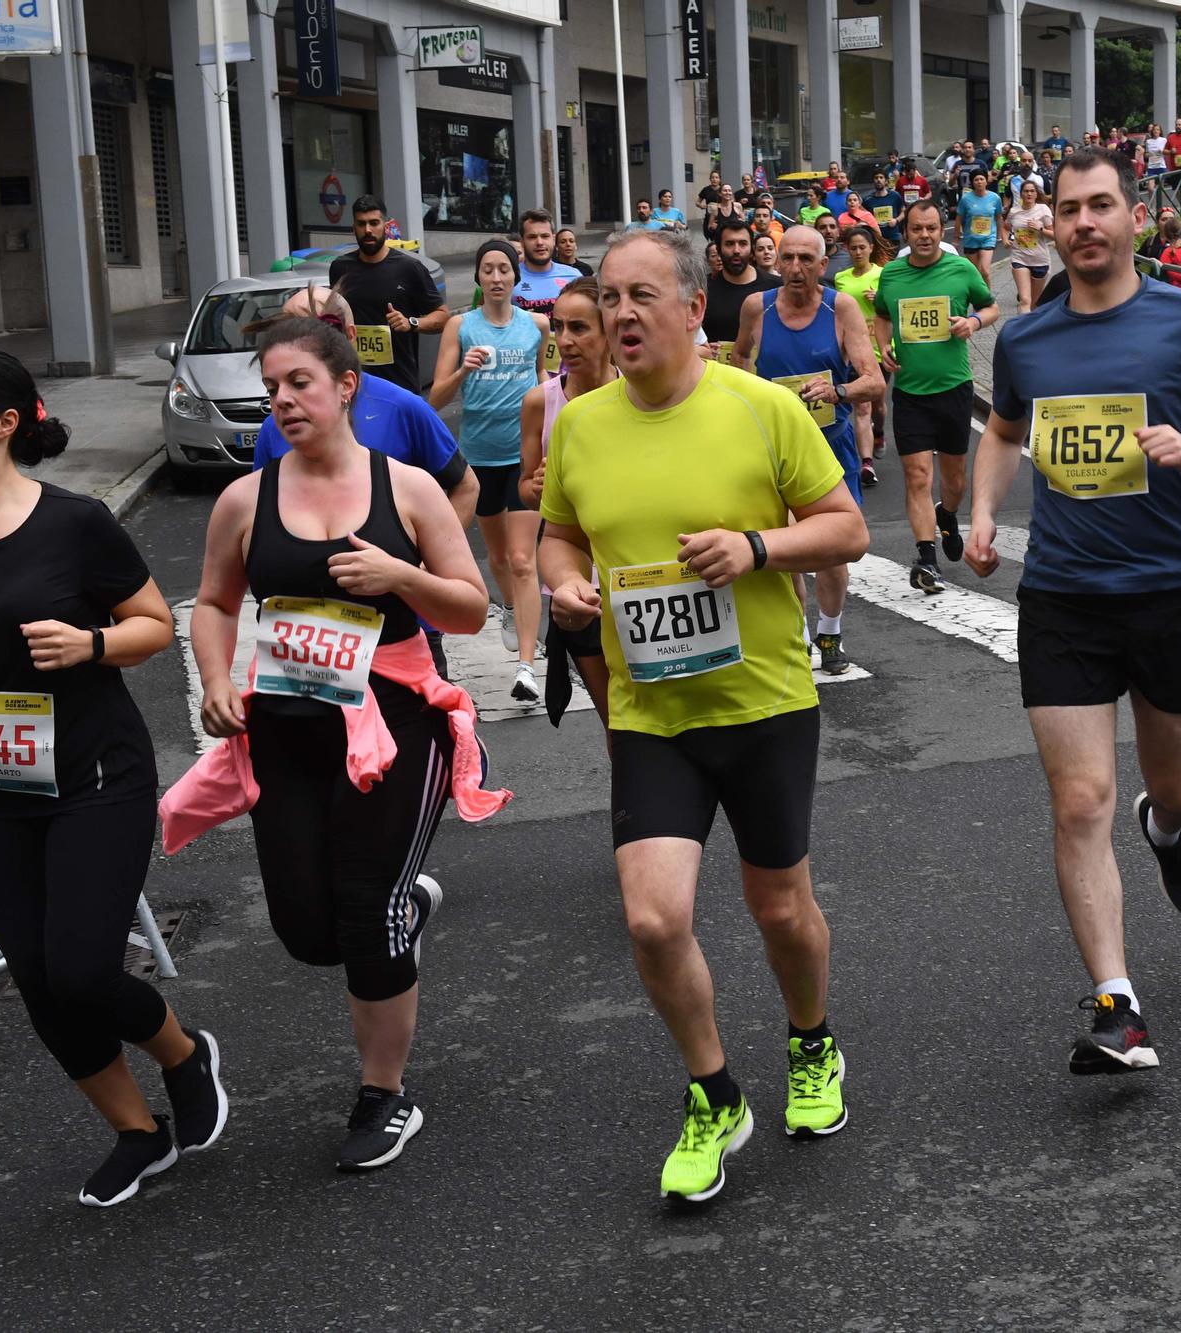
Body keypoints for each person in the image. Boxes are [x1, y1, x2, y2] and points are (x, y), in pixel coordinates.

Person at [539, 226, 868, 1203]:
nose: (620, 314)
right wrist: (562, 589)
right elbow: (557, 539)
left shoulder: (761, 410)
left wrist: (757, 550)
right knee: (651, 917)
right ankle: (713, 1091)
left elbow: (844, 526)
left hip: (762, 700)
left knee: (777, 907)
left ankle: (810, 1042)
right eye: (608, 298)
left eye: (642, 295)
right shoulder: (580, 425)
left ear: (693, 309)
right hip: (650, 711)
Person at [963, 146, 1181, 1076]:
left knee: (1173, 785)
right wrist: (984, 508)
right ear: (1053, 225)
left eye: (1100, 205)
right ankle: (1118, 1001)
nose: (1083, 224)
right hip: (1063, 600)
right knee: (1078, 801)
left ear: (1134, 214)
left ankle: (1169, 827)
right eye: (1068, 210)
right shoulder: (1027, 339)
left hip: (1167, 597)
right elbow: (1000, 432)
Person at [0, 348, 227, 1205]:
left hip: (93, 772)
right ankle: (136, 1134)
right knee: (35, 976)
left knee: (80, 968)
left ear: (4, 423)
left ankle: (185, 1055)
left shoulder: (73, 523)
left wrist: (92, 644)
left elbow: (153, 622)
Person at [178, 316, 498, 1173]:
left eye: (299, 384)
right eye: (272, 386)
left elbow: (470, 606)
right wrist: (215, 678)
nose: (281, 400)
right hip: (289, 726)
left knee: (366, 913)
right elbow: (213, 602)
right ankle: (407, 908)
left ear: (345, 386)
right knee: (305, 929)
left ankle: (384, 1095)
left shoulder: (408, 490)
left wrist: (402, 577)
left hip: (396, 726)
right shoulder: (248, 498)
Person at [251, 285, 475, 675]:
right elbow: (256, 530)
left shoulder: (403, 407)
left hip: (400, 632)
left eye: (315, 327)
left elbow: (465, 485)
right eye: (291, 328)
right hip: (300, 658)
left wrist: (417, 570)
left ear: (349, 338)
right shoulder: (275, 428)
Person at [734, 226, 885, 676]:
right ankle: (798, 635)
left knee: (833, 554)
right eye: (788, 258)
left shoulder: (840, 308)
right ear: (776, 263)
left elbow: (873, 381)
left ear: (824, 265)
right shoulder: (755, 308)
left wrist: (837, 391)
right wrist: (751, 397)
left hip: (830, 449)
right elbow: (739, 357)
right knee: (785, 549)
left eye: (806, 259)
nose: (796, 268)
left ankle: (830, 630)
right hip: (775, 450)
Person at [431, 240, 551, 703]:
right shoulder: (461, 327)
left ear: (516, 277)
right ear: (478, 279)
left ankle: (526, 667)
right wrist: (463, 371)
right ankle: (506, 608)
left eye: (504, 269)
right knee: (499, 559)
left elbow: (542, 378)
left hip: (524, 458)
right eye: (488, 269)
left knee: (523, 562)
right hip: (478, 461)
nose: (497, 277)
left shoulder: (536, 325)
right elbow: (436, 399)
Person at [873, 198, 997, 595]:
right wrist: (883, 344)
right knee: (917, 476)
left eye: (930, 229)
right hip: (910, 394)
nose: (924, 236)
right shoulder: (891, 276)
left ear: (941, 232)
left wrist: (972, 321)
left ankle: (948, 514)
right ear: (905, 233)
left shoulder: (960, 269)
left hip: (955, 390)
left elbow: (992, 307)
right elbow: (881, 315)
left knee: (954, 479)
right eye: (916, 229)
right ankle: (926, 559)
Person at [519, 279, 616, 730]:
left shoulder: (639, 395)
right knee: (618, 722)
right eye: (558, 327)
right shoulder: (541, 402)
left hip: (640, 578)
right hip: (577, 585)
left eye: (579, 327)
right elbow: (523, 489)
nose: (565, 341)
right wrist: (537, 487)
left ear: (609, 330)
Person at [329, 195, 447, 397]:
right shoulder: (340, 268)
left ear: (385, 225)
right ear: (354, 227)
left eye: (374, 223)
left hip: (399, 386)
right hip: (354, 385)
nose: (368, 230)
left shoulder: (410, 268)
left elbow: (443, 317)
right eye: (361, 224)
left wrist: (411, 323)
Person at [834, 225, 891, 488]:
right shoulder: (841, 278)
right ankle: (865, 463)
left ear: (871, 249)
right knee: (862, 406)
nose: (857, 252)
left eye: (862, 247)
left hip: (880, 347)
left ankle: (879, 432)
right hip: (854, 350)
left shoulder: (884, 274)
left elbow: (895, 307)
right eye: (853, 248)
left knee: (878, 405)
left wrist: (880, 298)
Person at [701, 216, 781, 365]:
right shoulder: (704, 290)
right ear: (718, 249)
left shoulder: (776, 287)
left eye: (743, 244)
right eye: (729, 244)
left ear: (751, 249)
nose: (736, 250)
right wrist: (703, 348)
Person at [512, 209, 584, 319]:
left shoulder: (574, 277)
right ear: (522, 242)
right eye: (532, 237)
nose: (539, 242)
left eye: (545, 236)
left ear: (553, 239)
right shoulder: (509, 279)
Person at [1002, 178, 1055, 313]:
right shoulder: (1014, 211)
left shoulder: (1043, 210)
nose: (1029, 194)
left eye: (1032, 191)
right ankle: (1022, 332)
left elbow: (1055, 235)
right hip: (1020, 258)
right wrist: (1006, 239)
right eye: (1026, 191)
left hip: (1040, 259)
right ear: (1021, 194)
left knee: (1035, 303)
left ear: (1036, 194)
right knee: (1025, 300)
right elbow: (1005, 227)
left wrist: (1041, 228)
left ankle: (1032, 328)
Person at [955, 169, 1004, 283]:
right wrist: (956, 238)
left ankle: (988, 299)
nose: (979, 182)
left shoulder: (995, 198)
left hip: (988, 238)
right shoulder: (966, 199)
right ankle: (978, 298)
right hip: (970, 239)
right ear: (973, 183)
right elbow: (959, 219)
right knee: (975, 273)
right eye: (976, 180)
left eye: (982, 179)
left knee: (985, 271)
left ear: (986, 181)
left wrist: (999, 235)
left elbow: (998, 217)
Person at [861, 170, 906, 246]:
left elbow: (904, 211)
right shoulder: (868, 200)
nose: (879, 180)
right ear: (873, 181)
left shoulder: (895, 196)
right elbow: (863, 216)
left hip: (893, 237)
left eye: (881, 177)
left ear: (886, 181)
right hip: (876, 239)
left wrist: (896, 220)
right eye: (876, 178)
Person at [814, 212, 853, 282]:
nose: (828, 231)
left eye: (832, 227)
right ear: (816, 232)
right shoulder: (808, 257)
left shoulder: (850, 258)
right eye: (823, 227)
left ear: (838, 232)